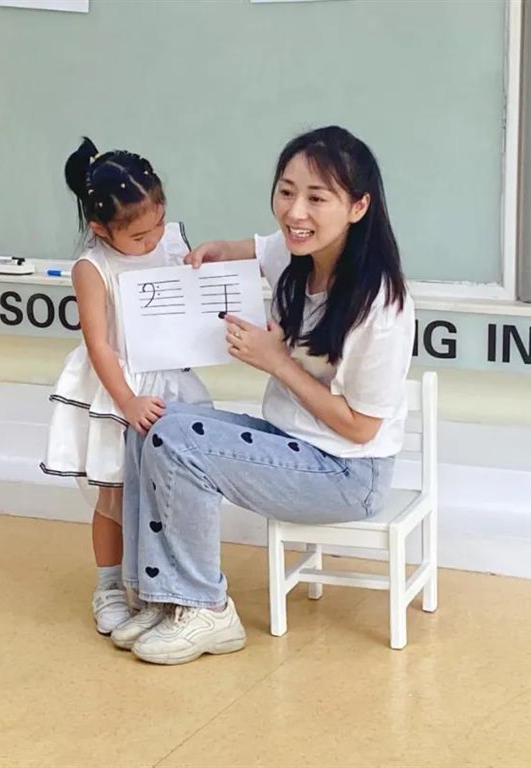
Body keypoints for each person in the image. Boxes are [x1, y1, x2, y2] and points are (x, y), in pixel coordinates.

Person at [113, 126, 417, 664]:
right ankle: (159, 597)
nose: (295, 212)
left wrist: (276, 361)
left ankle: (207, 609)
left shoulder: (382, 306)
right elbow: (253, 248)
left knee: (178, 442)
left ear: (358, 206)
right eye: (286, 191)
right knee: (152, 423)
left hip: (348, 473)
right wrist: (216, 252)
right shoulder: (297, 252)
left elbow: (360, 428)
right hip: (293, 442)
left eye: (317, 198)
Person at [41, 137, 210, 635]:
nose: (153, 239)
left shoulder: (170, 243)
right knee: (113, 495)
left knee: (169, 491)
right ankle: (110, 586)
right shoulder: (92, 267)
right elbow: (98, 344)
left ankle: (167, 585)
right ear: (100, 228)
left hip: (169, 379)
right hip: (120, 386)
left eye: (159, 223)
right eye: (138, 236)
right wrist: (126, 400)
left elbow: (188, 305)